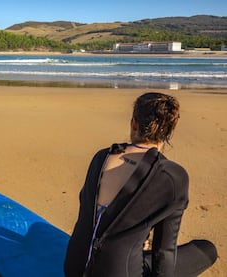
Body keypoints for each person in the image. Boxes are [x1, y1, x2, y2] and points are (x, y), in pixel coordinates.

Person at [64, 92, 217, 277]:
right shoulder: (172, 177)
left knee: (130, 244)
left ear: (134, 122)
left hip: (74, 268)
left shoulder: (101, 157)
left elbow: (93, 216)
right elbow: (164, 252)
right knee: (206, 249)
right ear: (169, 130)